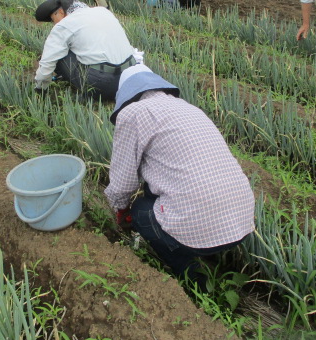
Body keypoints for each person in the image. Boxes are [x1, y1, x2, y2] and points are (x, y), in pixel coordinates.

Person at [104, 64, 255, 283]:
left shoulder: (132, 113)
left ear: (127, 94)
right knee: (157, 193)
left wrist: (120, 210)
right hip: (242, 220)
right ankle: (207, 253)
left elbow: (122, 182)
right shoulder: (188, 108)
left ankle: (194, 278)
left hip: (200, 217)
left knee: (140, 212)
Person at [33, 0, 142, 100]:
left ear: (61, 12)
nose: (54, 24)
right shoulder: (103, 12)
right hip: (129, 79)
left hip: (102, 84)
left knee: (58, 56)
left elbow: (47, 62)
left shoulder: (64, 24)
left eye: (53, 19)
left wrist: (40, 89)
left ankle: (91, 94)